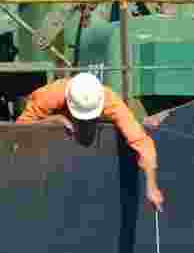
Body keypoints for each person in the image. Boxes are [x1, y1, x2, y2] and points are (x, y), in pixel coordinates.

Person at [15, 73, 165, 212]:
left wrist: (151, 186)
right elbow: (20, 126)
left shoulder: (110, 100)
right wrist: (52, 121)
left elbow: (141, 141)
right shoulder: (50, 96)